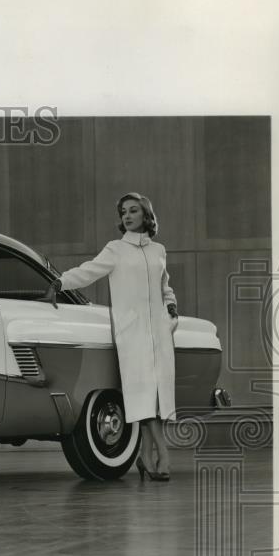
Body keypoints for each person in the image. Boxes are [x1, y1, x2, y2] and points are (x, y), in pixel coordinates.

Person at [46, 192, 179, 480]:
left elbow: (165, 287)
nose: (127, 216)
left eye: (133, 210)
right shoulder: (115, 250)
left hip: (160, 332)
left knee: (157, 396)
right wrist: (60, 281)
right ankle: (164, 455)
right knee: (143, 396)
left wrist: (171, 310)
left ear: (145, 214)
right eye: (123, 212)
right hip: (132, 334)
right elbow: (89, 271)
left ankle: (144, 457)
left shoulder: (159, 251)